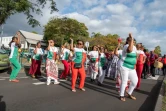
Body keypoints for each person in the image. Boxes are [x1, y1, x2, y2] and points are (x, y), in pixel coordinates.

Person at [119, 33, 138, 101]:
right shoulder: (126, 46)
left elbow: (135, 57)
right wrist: (131, 38)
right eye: (132, 41)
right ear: (128, 41)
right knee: (124, 81)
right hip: (124, 66)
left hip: (131, 67)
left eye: (134, 42)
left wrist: (134, 64)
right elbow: (129, 50)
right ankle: (121, 95)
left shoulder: (135, 48)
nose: (133, 43)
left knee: (135, 81)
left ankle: (129, 93)